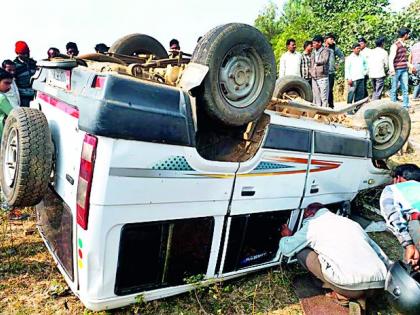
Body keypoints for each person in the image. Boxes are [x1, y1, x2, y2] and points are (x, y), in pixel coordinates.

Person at [280, 203, 387, 308]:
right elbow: (378, 251)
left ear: (309, 213)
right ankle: (362, 295)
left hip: (350, 287)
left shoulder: (313, 225)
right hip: (380, 284)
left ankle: (341, 294)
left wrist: (287, 237)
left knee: (302, 252)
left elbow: (287, 249)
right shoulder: (351, 223)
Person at [380, 164, 420, 272]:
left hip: (417, 226)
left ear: (398, 178)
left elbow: (393, 216)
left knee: (412, 269)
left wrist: (409, 245)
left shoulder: (393, 189)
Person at [389, 27, 415, 111]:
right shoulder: (395, 45)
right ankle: (393, 106)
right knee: (394, 88)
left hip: (403, 69)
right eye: (408, 34)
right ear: (405, 35)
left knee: (405, 88)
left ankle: (405, 106)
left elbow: (403, 59)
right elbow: (391, 58)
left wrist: (410, 66)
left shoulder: (404, 45)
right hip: (396, 69)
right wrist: (392, 69)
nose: (408, 36)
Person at [13, 41, 37, 107]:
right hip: (23, 98)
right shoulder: (14, 66)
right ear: (18, 53)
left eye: (27, 52)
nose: (26, 55)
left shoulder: (34, 63)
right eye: (23, 53)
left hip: (35, 95)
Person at [325, 33, 344, 108]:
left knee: (330, 90)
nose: (332, 41)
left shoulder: (334, 48)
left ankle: (331, 106)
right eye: (331, 39)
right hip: (322, 72)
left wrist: (337, 64)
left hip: (330, 72)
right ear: (326, 39)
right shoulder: (322, 47)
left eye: (333, 39)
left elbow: (342, 56)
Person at [310, 35, 330, 107]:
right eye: (313, 43)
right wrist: (311, 71)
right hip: (314, 77)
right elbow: (311, 63)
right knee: (316, 97)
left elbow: (325, 60)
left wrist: (316, 62)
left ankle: (324, 113)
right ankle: (318, 114)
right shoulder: (313, 52)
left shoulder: (326, 50)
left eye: (315, 43)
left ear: (320, 43)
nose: (313, 45)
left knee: (324, 97)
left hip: (323, 76)